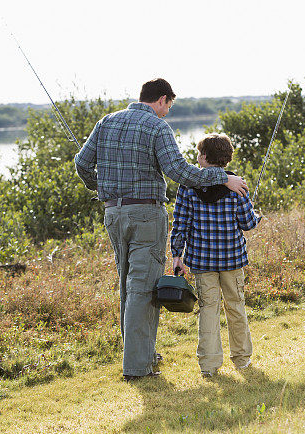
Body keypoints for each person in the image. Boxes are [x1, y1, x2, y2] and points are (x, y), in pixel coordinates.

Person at [74, 79, 249, 381]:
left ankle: (143, 355)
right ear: (162, 100)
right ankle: (138, 368)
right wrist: (223, 178)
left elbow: (81, 163)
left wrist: (99, 186)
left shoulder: (106, 122)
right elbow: (178, 171)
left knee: (128, 287)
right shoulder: (157, 127)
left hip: (113, 214)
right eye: (169, 106)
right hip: (146, 215)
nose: (167, 112)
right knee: (142, 288)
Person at [170, 133, 262, 378]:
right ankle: (241, 360)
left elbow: (180, 223)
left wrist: (176, 255)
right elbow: (247, 223)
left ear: (206, 158)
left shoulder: (188, 186)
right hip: (232, 259)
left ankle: (209, 366)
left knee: (208, 310)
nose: (197, 157)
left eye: (200, 153)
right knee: (236, 306)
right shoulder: (237, 184)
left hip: (201, 261)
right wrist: (257, 216)